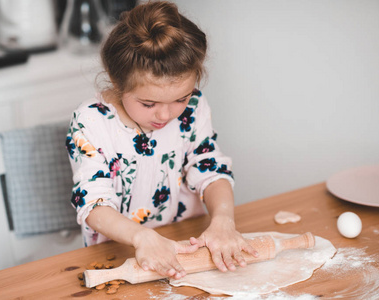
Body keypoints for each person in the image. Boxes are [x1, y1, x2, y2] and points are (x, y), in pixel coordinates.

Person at [66, 1, 257, 280]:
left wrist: (223, 221)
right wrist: (142, 238)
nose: (166, 114)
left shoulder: (194, 108)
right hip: (120, 255)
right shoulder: (90, 122)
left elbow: (210, 167)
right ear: (118, 84)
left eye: (181, 98)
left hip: (188, 246)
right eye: (148, 103)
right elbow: (92, 203)